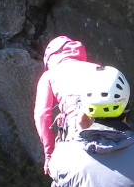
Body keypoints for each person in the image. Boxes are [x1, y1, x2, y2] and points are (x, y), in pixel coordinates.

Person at [33, 35, 95, 174]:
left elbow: (42, 116)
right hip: (112, 127)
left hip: (75, 132)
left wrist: (49, 154)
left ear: (51, 58)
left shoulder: (49, 75)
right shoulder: (97, 68)